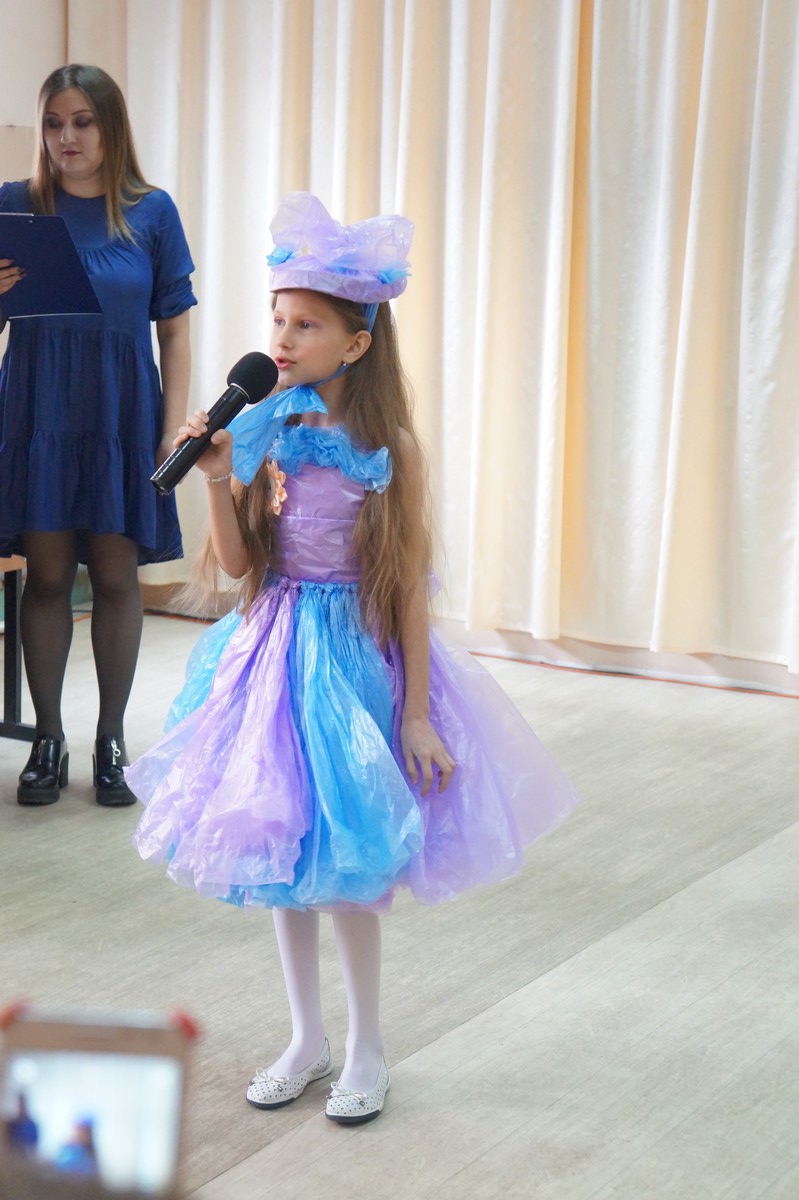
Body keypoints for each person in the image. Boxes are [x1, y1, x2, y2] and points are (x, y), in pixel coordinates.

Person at [127, 192, 578, 1124]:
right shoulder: (265, 427)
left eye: (306, 324)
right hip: (271, 653)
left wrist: (413, 711)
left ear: (357, 342)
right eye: (277, 320)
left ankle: (366, 1044)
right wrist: (212, 477)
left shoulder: (385, 447)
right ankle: (305, 1037)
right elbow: (240, 567)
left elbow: (405, 584)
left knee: (350, 862)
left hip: (351, 659)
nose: (282, 339)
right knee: (281, 846)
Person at [0, 64, 196, 807]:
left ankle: (110, 740)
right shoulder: (15, 206)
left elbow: (174, 331)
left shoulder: (152, 211)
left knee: (116, 577)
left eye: (82, 122)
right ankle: (47, 738)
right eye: (54, 123)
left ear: (110, 127)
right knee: (48, 576)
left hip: (122, 414)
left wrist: (172, 429)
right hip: (40, 411)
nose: (66, 138)